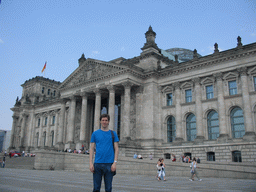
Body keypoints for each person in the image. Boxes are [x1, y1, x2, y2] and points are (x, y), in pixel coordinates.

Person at [89, 114, 119, 192]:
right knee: (96, 188)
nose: (104, 122)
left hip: (109, 164)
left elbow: (116, 148)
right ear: (100, 121)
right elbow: (91, 148)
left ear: (108, 122)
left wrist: (115, 163)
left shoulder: (113, 134)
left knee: (108, 189)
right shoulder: (95, 133)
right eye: (103, 120)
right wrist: (90, 163)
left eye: (106, 120)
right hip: (97, 163)